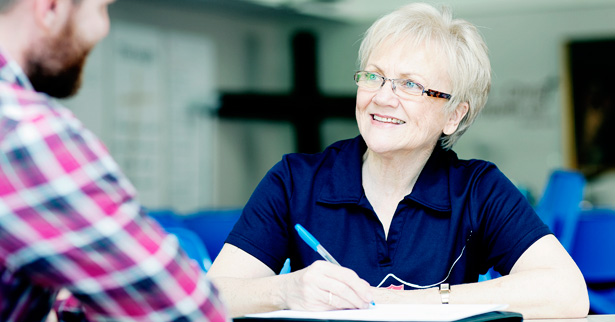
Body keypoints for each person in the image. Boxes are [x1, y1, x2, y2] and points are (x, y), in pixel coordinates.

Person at [207, 3, 589, 319]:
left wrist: (399, 302)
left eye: (410, 85)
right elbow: (212, 295)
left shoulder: (478, 188)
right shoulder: (295, 181)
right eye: (374, 76)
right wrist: (285, 289)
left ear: (453, 115)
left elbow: (567, 293)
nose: (383, 97)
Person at [0, 0, 227, 321]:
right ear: (50, 7)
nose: (102, 28)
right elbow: (192, 313)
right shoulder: (26, 131)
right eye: (102, 8)